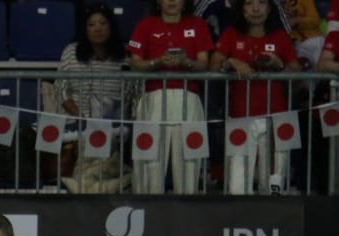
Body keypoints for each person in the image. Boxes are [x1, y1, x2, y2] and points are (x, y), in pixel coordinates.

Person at [44, 3, 136, 193]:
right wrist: (83, 119)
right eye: (91, 24)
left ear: (111, 26)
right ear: (84, 29)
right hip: (77, 125)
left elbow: (132, 93)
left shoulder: (124, 55)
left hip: (113, 130)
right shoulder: (71, 51)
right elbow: (61, 89)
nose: (97, 29)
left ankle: (99, 183)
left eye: (103, 23)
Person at [127, 0, 214, 196]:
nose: (172, 1)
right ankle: (146, 207)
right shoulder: (146, 24)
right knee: (149, 160)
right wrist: (157, 62)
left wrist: (185, 62)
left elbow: (203, 64)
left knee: (189, 160)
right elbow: (135, 62)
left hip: (189, 99)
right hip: (154, 99)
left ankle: (188, 206)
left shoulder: (198, 24)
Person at [212, 0, 299, 195]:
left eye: (261, 3)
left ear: (269, 8)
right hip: (240, 118)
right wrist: (231, 62)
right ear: (241, 9)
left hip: (277, 119)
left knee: (273, 188)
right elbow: (213, 66)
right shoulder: (231, 34)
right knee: (237, 187)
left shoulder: (280, 36)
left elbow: (297, 72)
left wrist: (278, 65)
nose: (256, 9)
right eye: (249, 3)